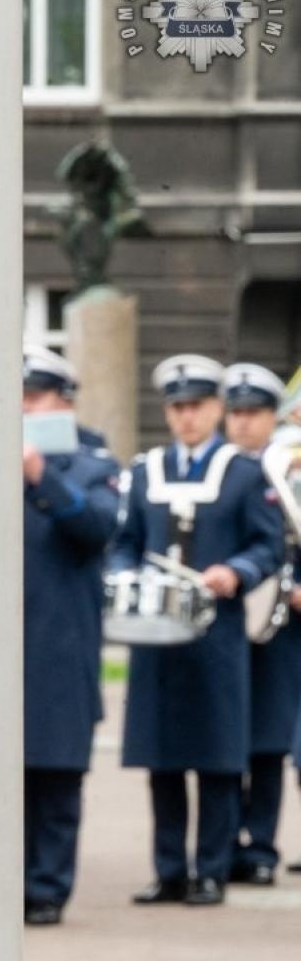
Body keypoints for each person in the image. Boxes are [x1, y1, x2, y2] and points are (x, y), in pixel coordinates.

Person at [113, 354, 285, 907]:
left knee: (217, 758)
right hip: (156, 638)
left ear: (216, 409)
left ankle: (211, 869)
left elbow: (269, 546)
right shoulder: (147, 471)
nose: (186, 416)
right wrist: (125, 573)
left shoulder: (243, 473)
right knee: (162, 758)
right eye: (178, 407)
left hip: (217, 636)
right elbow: (124, 542)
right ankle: (169, 871)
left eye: (197, 405)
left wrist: (235, 571)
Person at [18, 346, 120, 925]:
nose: (23, 409)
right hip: (4, 652)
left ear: (64, 402)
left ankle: (48, 888)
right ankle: (5, 885)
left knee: (56, 777)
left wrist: (40, 475)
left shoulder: (92, 463)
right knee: (1, 779)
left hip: (60, 646)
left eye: (33, 398)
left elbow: (97, 527)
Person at [219, 363, 301, 886]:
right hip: (226, 617)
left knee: (269, 739)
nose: (244, 422)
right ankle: (223, 844)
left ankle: (262, 846)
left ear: (275, 417)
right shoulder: (219, 470)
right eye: (236, 413)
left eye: (255, 413)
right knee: (226, 734)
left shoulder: (290, 469)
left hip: (283, 622)